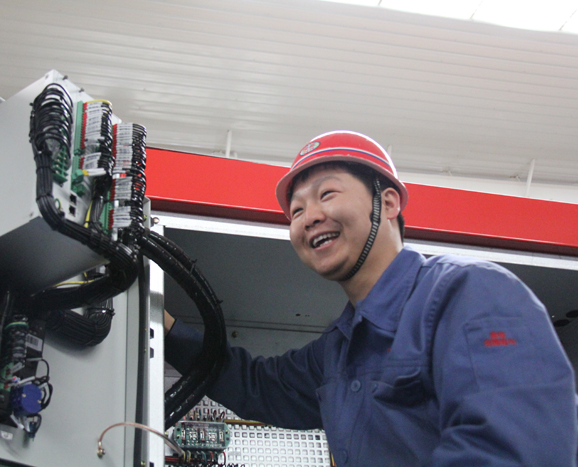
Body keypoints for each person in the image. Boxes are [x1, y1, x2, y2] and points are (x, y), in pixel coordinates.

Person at [164, 130, 578, 466]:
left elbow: (517, 450)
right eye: (296, 211)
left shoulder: (470, 294)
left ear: (389, 202)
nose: (309, 217)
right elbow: (259, 386)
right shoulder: (338, 349)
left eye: (327, 194)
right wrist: (162, 329)